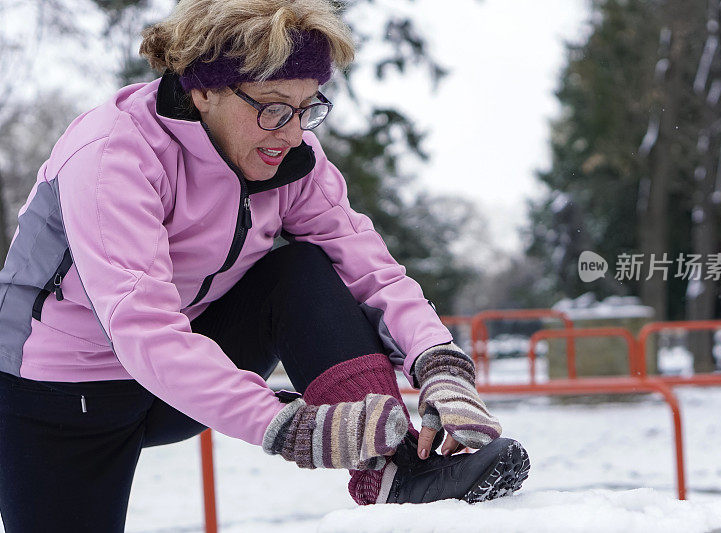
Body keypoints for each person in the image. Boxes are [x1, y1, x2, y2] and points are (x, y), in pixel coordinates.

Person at [0, 0, 529, 530]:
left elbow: (370, 269)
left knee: (299, 270)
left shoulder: (291, 160)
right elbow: (143, 328)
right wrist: (289, 426)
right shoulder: (113, 153)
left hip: (186, 369)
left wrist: (440, 363)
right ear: (203, 89)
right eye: (274, 107)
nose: (293, 133)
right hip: (59, 395)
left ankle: (396, 470)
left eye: (306, 108)